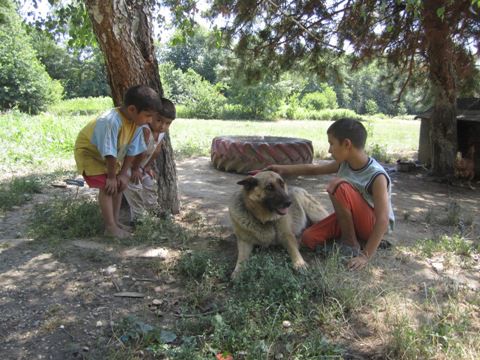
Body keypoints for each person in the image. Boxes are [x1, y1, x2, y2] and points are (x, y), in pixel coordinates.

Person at [266, 118, 395, 270]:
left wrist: (365, 256)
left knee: (338, 186)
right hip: (351, 220)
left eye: (332, 143)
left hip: (371, 225)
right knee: (308, 238)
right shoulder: (345, 163)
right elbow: (313, 169)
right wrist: (281, 169)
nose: (329, 149)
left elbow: (383, 220)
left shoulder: (377, 176)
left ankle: (351, 244)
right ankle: (356, 240)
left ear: (347, 144)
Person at [74, 85, 163, 238]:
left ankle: (115, 222)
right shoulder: (110, 121)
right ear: (132, 109)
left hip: (110, 157)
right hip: (91, 154)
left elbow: (133, 150)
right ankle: (110, 227)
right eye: (148, 115)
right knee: (108, 187)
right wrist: (111, 176)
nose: (150, 121)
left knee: (121, 185)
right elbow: (108, 151)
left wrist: (122, 174)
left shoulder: (136, 123)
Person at [123, 98, 176, 223]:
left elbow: (156, 151)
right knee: (134, 186)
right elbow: (139, 151)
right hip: (128, 166)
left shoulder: (161, 133)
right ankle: (138, 218)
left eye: (167, 123)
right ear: (151, 116)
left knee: (150, 183)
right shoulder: (145, 130)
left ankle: (152, 208)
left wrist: (147, 167)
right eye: (158, 120)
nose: (162, 126)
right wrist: (135, 169)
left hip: (141, 166)